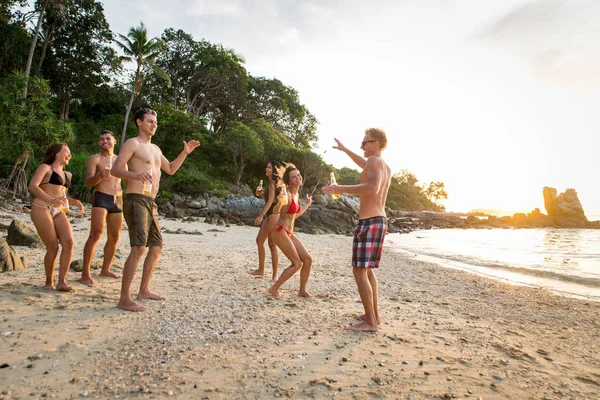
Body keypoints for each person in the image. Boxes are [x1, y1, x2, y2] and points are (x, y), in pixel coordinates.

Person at [111, 108, 200, 312]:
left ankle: (143, 289)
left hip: (151, 202)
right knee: (139, 247)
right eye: (150, 121)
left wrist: (184, 153)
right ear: (139, 122)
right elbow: (116, 169)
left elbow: (170, 170)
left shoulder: (156, 149)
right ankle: (124, 298)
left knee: (156, 246)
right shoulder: (132, 143)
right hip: (135, 199)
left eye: (155, 122)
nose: (154, 125)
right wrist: (135, 176)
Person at [323, 128, 391, 332]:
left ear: (375, 144)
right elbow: (363, 165)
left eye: (365, 143)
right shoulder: (381, 165)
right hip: (378, 220)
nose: (362, 146)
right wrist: (345, 150)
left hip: (370, 221)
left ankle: (370, 322)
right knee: (367, 269)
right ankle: (374, 315)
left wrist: (339, 188)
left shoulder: (375, 162)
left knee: (359, 270)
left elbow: (372, 188)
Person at [28, 143, 84, 292]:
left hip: (58, 210)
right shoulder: (45, 167)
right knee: (53, 246)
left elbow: (61, 195)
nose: (69, 155)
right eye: (66, 151)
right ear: (56, 153)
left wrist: (74, 201)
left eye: (70, 153)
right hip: (41, 207)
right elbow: (33, 186)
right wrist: (50, 200)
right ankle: (48, 282)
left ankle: (62, 282)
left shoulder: (68, 175)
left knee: (69, 243)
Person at [80, 130, 123, 286]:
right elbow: (87, 182)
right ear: (99, 143)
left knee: (115, 237)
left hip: (118, 199)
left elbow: (129, 176)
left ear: (114, 141)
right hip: (101, 197)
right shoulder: (94, 159)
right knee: (96, 234)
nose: (105, 141)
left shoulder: (120, 160)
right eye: (102, 139)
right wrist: (100, 176)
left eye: (108, 138)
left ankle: (105, 269)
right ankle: (85, 273)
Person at [268, 163, 313, 297]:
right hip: (280, 230)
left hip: (289, 232)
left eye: (298, 175)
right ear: (289, 181)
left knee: (308, 260)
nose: (298, 178)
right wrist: (279, 203)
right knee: (297, 263)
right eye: (294, 177)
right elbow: (276, 212)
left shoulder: (296, 194)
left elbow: (295, 215)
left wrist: (307, 205)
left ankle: (302, 290)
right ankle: (274, 289)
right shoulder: (286, 193)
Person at [250, 160, 284, 282]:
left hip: (274, 215)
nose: (267, 169)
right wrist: (261, 195)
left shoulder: (274, 182)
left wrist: (260, 215)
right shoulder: (271, 182)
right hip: (270, 215)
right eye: (267, 167)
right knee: (259, 241)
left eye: (269, 167)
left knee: (272, 245)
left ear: (275, 170)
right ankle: (261, 269)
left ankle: (275, 276)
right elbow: (270, 199)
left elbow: (270, 202)